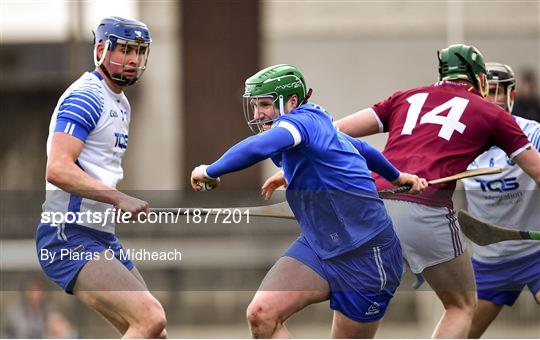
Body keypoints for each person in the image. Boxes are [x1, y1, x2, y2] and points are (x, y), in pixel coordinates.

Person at [263, 44, 540, 338]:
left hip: (369, 209)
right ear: (479, 80)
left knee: (353, 314)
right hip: (425, 211)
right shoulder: (491, 113)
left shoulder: (406, 97)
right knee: (460, 305)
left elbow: (330, 133)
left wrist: (296, 164)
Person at [191, 64, 427, 338]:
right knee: (261, 314)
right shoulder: (314, 120)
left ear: (292, 101)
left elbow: (257, 147)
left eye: (265, 104)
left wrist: (209, 171)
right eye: (256, 105)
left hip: (366, 254)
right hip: (319, 243)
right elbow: (357, 146)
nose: (257, 114)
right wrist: (397, 177)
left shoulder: (299, 122)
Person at [35, 17, 166, 338]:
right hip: (66, 235)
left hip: (100, 235)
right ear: (101, 49)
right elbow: (58, 169)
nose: (134, 59)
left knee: (154, 332)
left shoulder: (120, 103)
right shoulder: (86, 96)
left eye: (139, 52)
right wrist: (119, 198)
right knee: (151, 317)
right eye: (124, 50)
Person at [461, 62, 540, 338]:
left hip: (536, 254)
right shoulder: (459, 142)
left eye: (498, 91)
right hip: (489, 262)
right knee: (460, 332)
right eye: (486, 92)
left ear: (512, 97)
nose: (491, 99)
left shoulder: (532, 133)